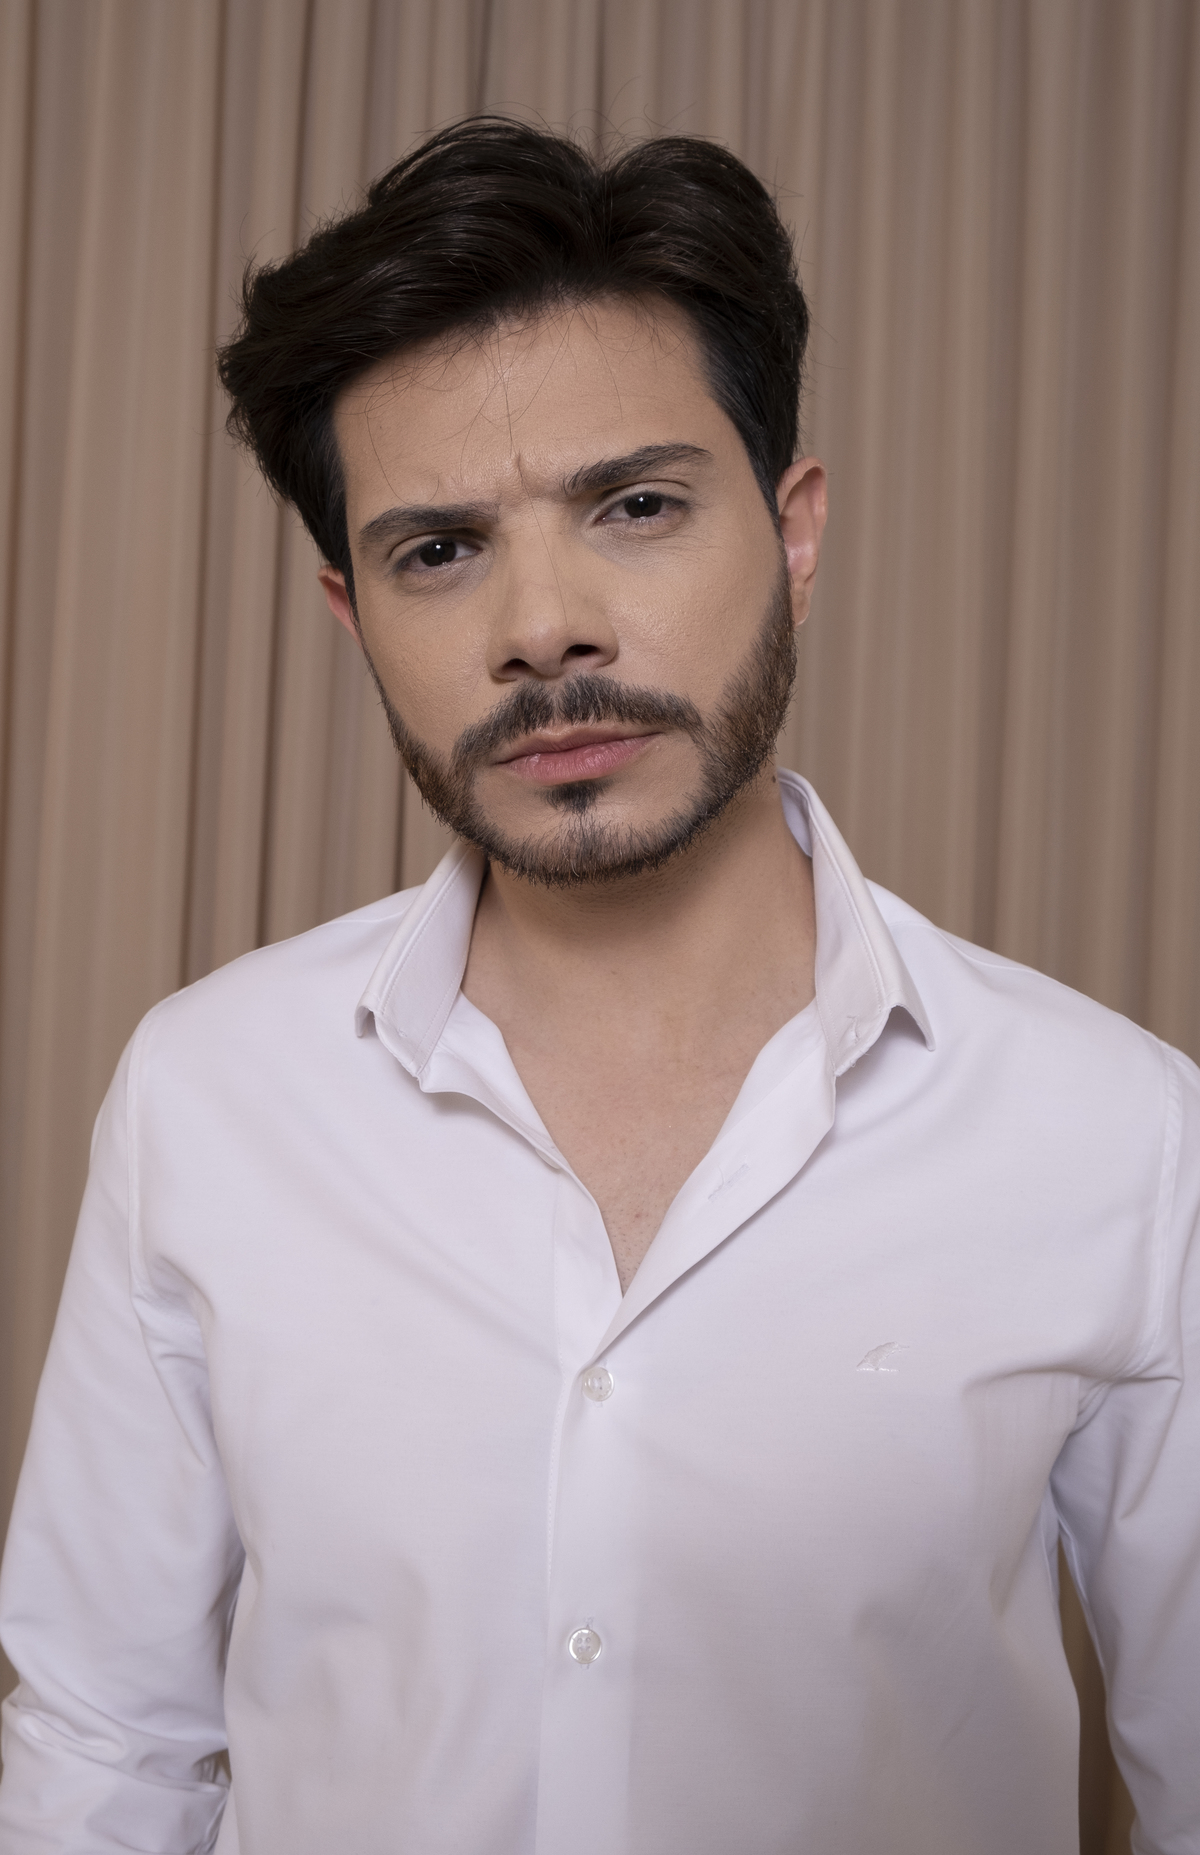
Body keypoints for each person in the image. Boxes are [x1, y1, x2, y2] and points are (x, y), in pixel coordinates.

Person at [0, 117, 1196, 1855]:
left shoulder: (1116, 1135)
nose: (543, 626)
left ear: (794, 531)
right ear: (350, 613)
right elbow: (103, 1749)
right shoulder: (206, 1096)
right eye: (438, 550)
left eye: (636, 506)